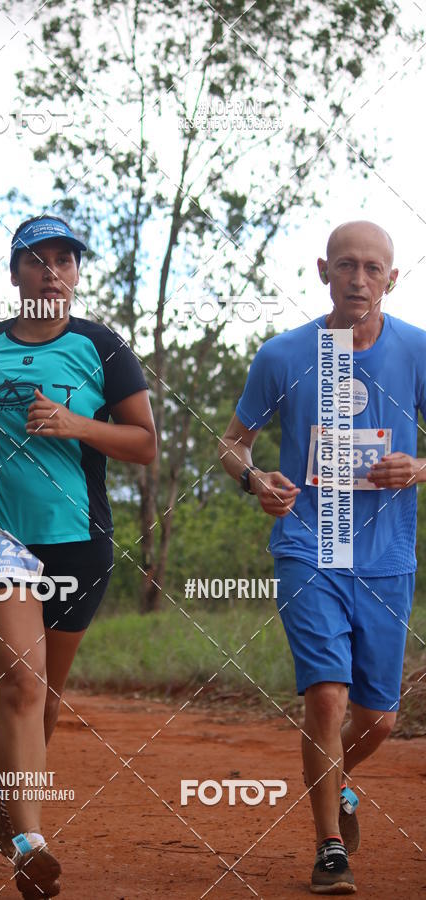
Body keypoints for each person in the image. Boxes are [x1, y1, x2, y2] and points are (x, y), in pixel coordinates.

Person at [0, 213, 156, 898]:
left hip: (77, 538)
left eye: (64, 259)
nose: (52, 272)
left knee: (45, 698)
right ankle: (30, 842)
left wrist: (77, 424)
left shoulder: (102, 347)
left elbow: (144, 443)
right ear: (15, 273)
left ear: (76, 274)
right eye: (37, 259)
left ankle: (7, 799)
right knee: (23, 684)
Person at [218, 221, 426, 895]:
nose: (358, 280)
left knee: (380, 718)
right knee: (328, 698)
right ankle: (329, 848)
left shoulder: (417, 350)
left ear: (392, 278)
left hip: (386, 556)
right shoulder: (284, 354)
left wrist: (418, 466)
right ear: (322, 271)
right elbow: (232, 444)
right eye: (346, 266)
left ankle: (337, 782)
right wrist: (255, 480)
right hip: (309, 546)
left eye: (372, 268)